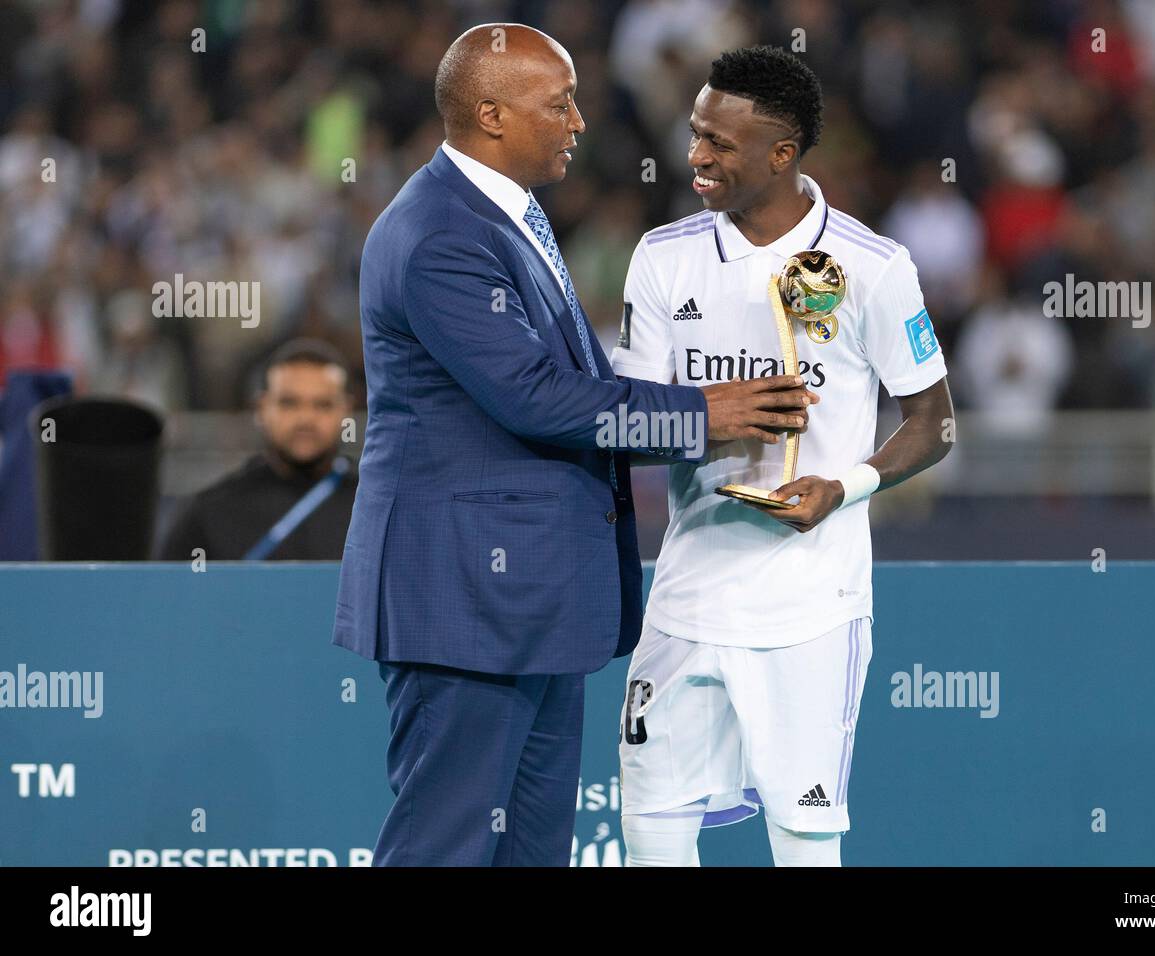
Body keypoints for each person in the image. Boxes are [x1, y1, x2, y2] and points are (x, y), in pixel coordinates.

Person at [331, 24, 816, 867]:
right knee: (445, 848)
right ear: (490, 115)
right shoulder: (442, 233)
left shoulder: (503, 215)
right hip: (466, 602)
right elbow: (537, 399)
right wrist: (703, 415)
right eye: (558, 105)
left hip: (531, 601)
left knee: (531, 853)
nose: (579, 122)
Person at [612, 46, 956, 866]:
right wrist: (708, 421)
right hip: (685, 594)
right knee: (650, 824)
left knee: (803, 839)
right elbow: (625, 422)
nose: (695, 155)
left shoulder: (874, 269)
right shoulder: (663, 257)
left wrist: (846, 485)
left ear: (782, 154)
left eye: (719, 144)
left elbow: (934, 424)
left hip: (811, 606)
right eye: (694, 134)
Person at [156, 338, 357, 561]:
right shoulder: (209, 513)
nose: (305, 419)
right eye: (288, 403)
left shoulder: (375, 506)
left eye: (323, 405)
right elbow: (169, 592)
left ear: (346, 410)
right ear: (261, 408)